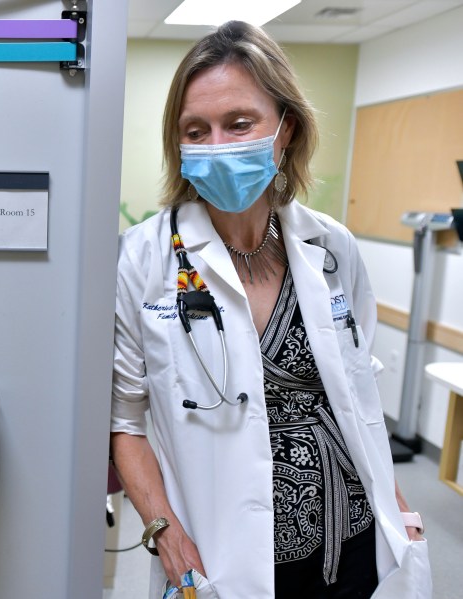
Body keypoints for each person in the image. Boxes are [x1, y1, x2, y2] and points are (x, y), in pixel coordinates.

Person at [110, 21, 431, 599]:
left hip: (353, 539)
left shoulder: (332, 248)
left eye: (239, 124)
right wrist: (165, 532)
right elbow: (125, 422)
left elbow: (359, 395)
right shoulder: (144, 259)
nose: (217, 145)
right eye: (195, 130)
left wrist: (398, 506)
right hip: (223, 552)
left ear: (285, 130)